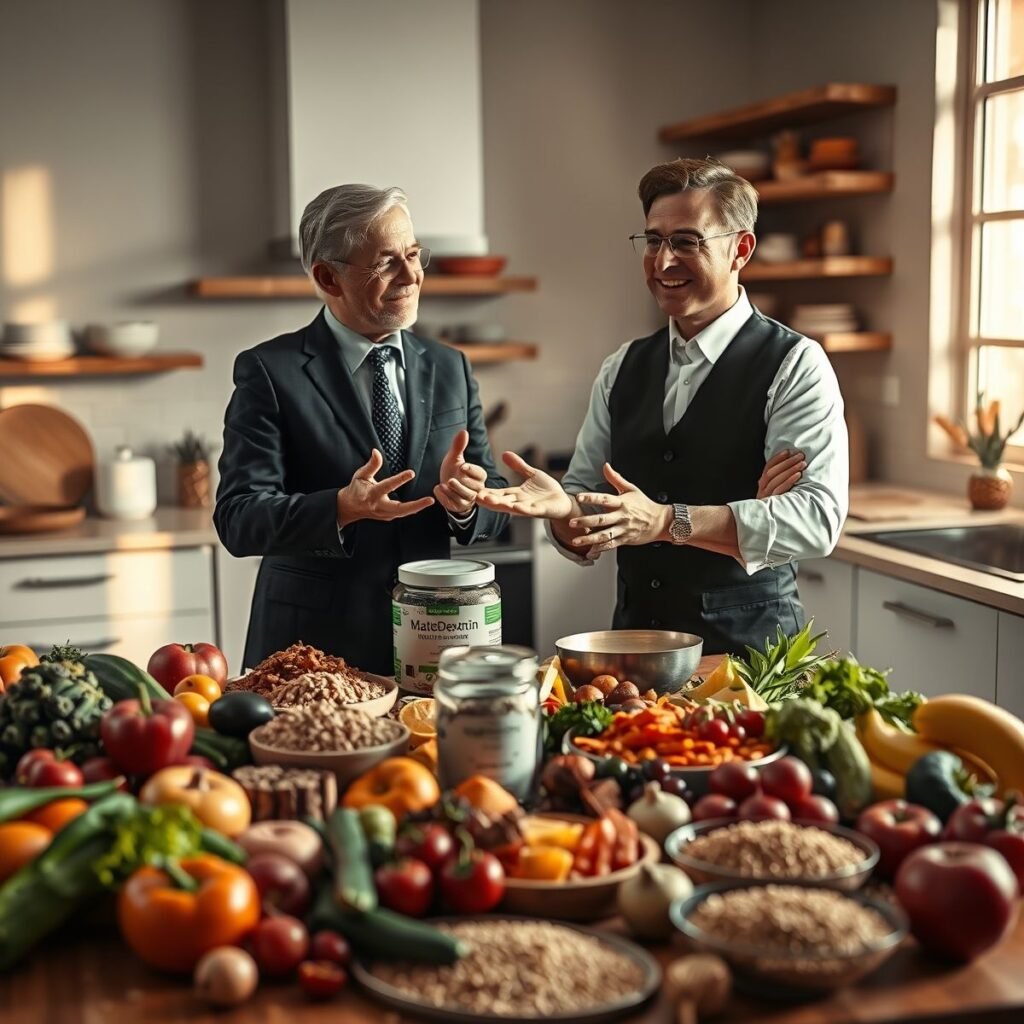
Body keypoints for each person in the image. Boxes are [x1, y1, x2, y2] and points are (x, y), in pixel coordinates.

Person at [477, 158, 848, 655]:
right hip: (635, 654)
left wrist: (666, 521)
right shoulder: (621, 367)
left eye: (688, 242)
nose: (664, 261)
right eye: (654, 241)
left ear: (741, 249)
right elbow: (586, 511)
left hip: (751, 661)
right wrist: (564, 511)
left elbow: (814, 520)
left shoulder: (796, 365)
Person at [215, 184, 508, 674]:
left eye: (414, 255)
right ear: (329, 278)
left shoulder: (450, 365)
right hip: (310, 651)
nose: (412, 275)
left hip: (435, 645)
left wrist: (468, 503)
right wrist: (339, 509)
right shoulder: (269, 369)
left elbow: (496, 502)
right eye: (386, 262)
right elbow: (238, 518)